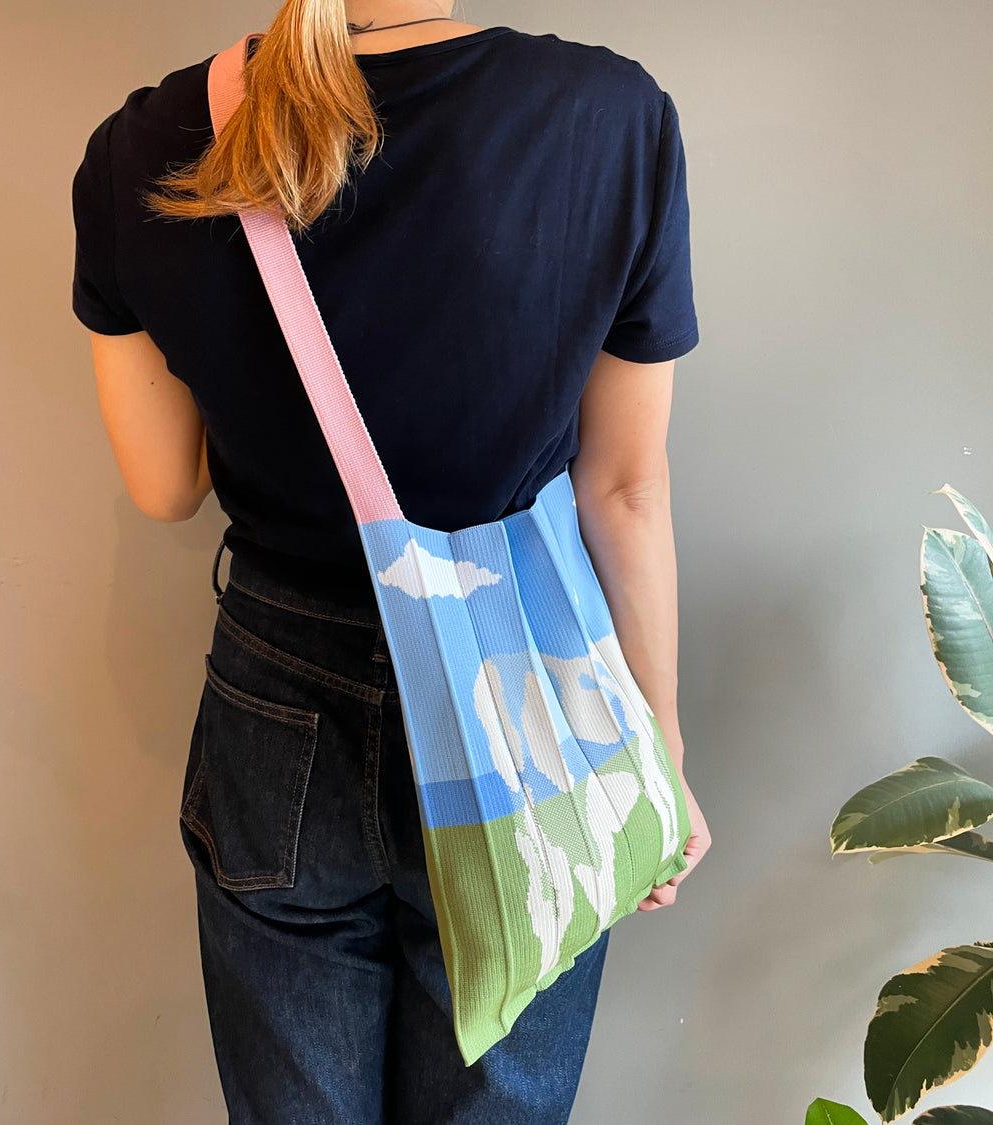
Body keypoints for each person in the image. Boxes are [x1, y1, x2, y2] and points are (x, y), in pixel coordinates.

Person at [70, 1, 713, 1121]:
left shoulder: (145, 141)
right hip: (529, 690)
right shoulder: (608, 118)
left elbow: (166, 487)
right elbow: (625, 488)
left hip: (280, 705)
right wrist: (655, 744)